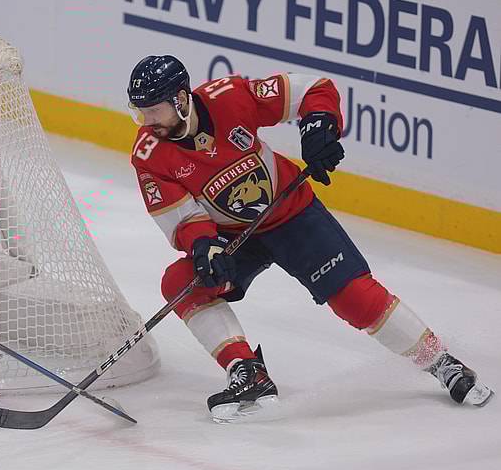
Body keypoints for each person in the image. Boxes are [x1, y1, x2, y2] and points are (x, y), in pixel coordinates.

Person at [126, 55, 494, 423]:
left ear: (180, 99)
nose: (147, 121)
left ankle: (443, 363)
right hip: (234, 236)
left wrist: (319, 127)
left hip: (290, 214)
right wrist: (204, 246)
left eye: (154, 110)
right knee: (182, 283)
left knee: (355, 297)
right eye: (140, 112)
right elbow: (182, 218)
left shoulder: (230, 96)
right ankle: (246, 370)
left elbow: (312, 89)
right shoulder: (149, 155)